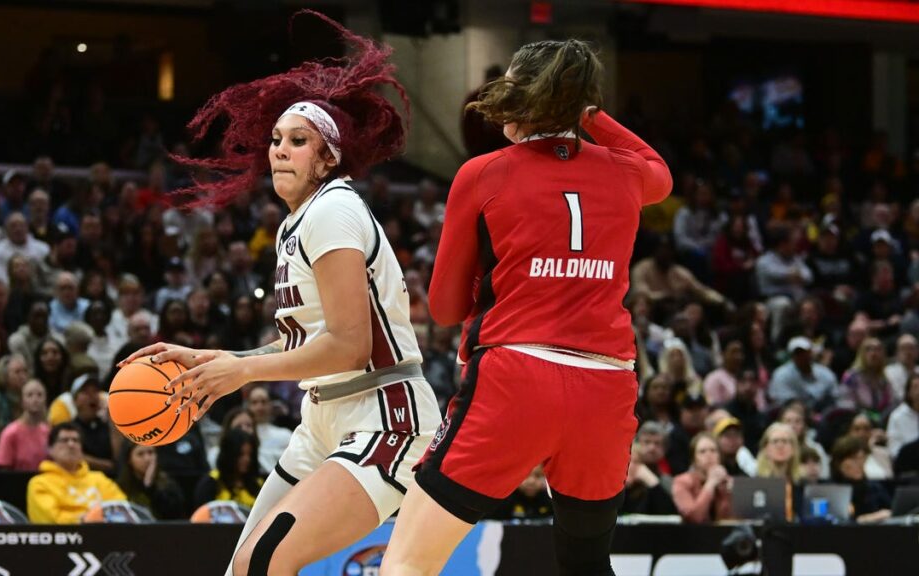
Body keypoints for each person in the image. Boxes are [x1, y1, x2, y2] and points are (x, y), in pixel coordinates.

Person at [122, 12, 441, 575]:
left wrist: (241, 375)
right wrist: (222, 360)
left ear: (329, 157)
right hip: (324, 419)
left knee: (267, 562)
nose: (279, 150)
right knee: (244, 569)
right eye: (275, 140)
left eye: (298, 141)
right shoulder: (298, 221)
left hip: (383, 416)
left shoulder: (336, 209)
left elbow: (347, 345)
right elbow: (309, 340)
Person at [381, 38, 672, 576]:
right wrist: (589, 114)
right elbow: (658, 167)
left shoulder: (484, 173)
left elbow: (444, 309)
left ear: (520, 94)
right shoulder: (629, 174)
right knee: (586, 564)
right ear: (583, 106)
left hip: (516, 378)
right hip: (607, 385)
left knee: (406, 564)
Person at [27, 422, 125, 524]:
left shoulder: (99, 479)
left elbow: (122, 510)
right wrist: (86, 519)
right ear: (50, 449)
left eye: (76, 440)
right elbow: (52, 520)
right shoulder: (39, 484)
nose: (71, 444)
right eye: (64, 440)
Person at [194, 428, 264, 509]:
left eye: (250, 454)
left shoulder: (258, 483)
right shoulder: (211, 482)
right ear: (230, 454)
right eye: (241, 454)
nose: (247, 459)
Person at [115, 441, 186, 521]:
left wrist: (150, 486)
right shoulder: (120, 486)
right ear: (129, 459)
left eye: (151, 452)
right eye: (140, 454)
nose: (147, 459)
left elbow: (174, 515)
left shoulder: (168, 484)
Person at [671, 433, 733, 524]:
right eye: (702, 451)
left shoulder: (728, 482)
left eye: (713, 450)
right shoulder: (681, 482)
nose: (709, 455)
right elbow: (695, 518)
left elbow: (733, 520)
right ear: (694, 459)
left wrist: (727, 494)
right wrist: (710, 483)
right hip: (692, 536)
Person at [0, 379, 51, 471]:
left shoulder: (48, 431)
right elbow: (3, 470)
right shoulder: (10, 433)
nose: (35, 399)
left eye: (40, 395)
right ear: (22, 401)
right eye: (29, 395)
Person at [887, 373, 919, 458]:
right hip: (909, 464)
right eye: (916, 387)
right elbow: (894, 451)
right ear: (908, 392)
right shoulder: (897, 417)